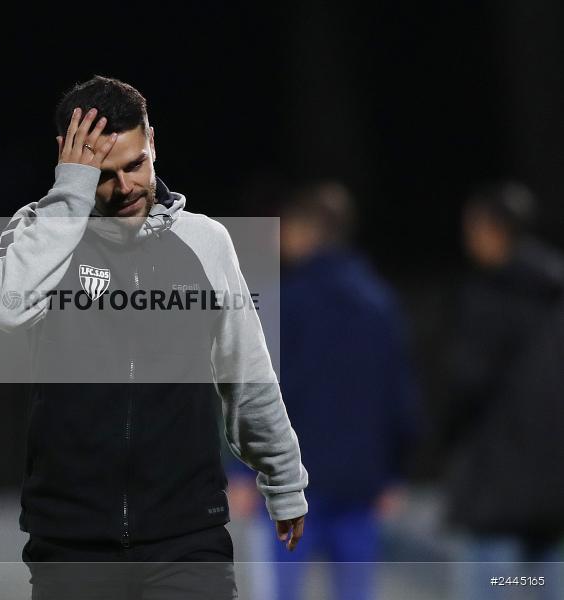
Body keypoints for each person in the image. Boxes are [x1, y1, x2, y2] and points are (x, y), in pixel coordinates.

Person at [0, 76, 308, 598]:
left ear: (152, 141)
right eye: (103, 175)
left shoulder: (206, 241)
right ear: (71, 164)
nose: (126, 187)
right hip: (71, 541)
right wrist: (70, 194)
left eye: (135, 165)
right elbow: (4, 310)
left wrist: (283, 480)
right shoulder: (41, 234)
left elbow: (245, 370)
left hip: (188, 535)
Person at [230, 182, 417, 600]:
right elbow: (398, 397)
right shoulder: (380, 303)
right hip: (359, 483)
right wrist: (394, 472)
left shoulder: (285, 303)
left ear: (304, 231)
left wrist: (242, 470)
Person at [441, 182, 564, 600]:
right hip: (554, 482)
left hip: (496, 480)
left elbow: (464, 385)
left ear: (496, 230)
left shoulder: (489, 296)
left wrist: (444, 437)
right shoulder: (555, 292)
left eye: (473, 228)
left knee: (493, 585)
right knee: (548, 583)